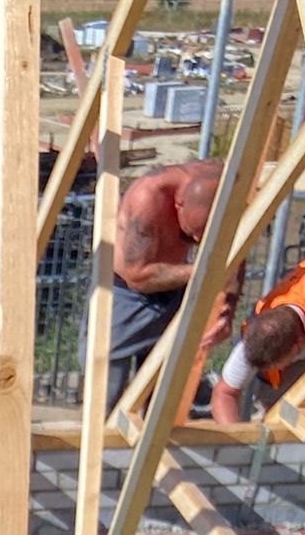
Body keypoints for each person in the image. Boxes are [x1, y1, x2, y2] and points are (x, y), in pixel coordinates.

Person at [99, 159, 238, 411]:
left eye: (205, 234)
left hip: (174, 287)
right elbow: (136, 276)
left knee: (162, 395)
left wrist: (228, 307)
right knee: (106, 391)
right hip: (124, 294)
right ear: (178, 204)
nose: (197, 239)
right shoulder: (148, 199)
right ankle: (103, 434)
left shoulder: (228, 187)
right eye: (191, 232)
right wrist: (204, 272)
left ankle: (152, 434)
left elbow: (236, 250)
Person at [210, 246, 305, 424]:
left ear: (297, 346)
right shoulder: (254, 342)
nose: (266, 370)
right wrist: (235, 439)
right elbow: (224, 393)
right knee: (278, 414)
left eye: (273, 365)